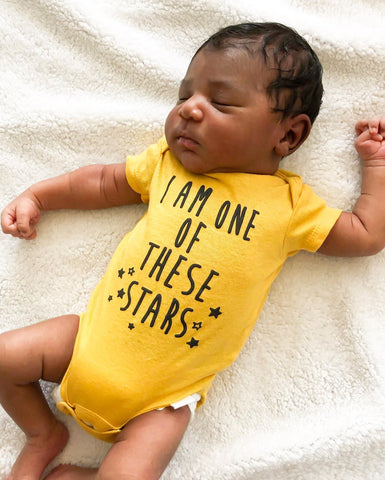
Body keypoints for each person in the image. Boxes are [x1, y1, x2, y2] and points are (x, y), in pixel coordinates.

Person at [1, 21, 384, 480]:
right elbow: (101, 181)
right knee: (4, 357)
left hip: (161, 403)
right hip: (84, 344)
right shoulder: (166, 166)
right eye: (184, 97)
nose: (190, 111)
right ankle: (43, 433)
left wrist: (376, 164)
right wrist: (38, 196)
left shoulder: (288, 206)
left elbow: (364, 233)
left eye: (220, 102)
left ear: (287, 137)